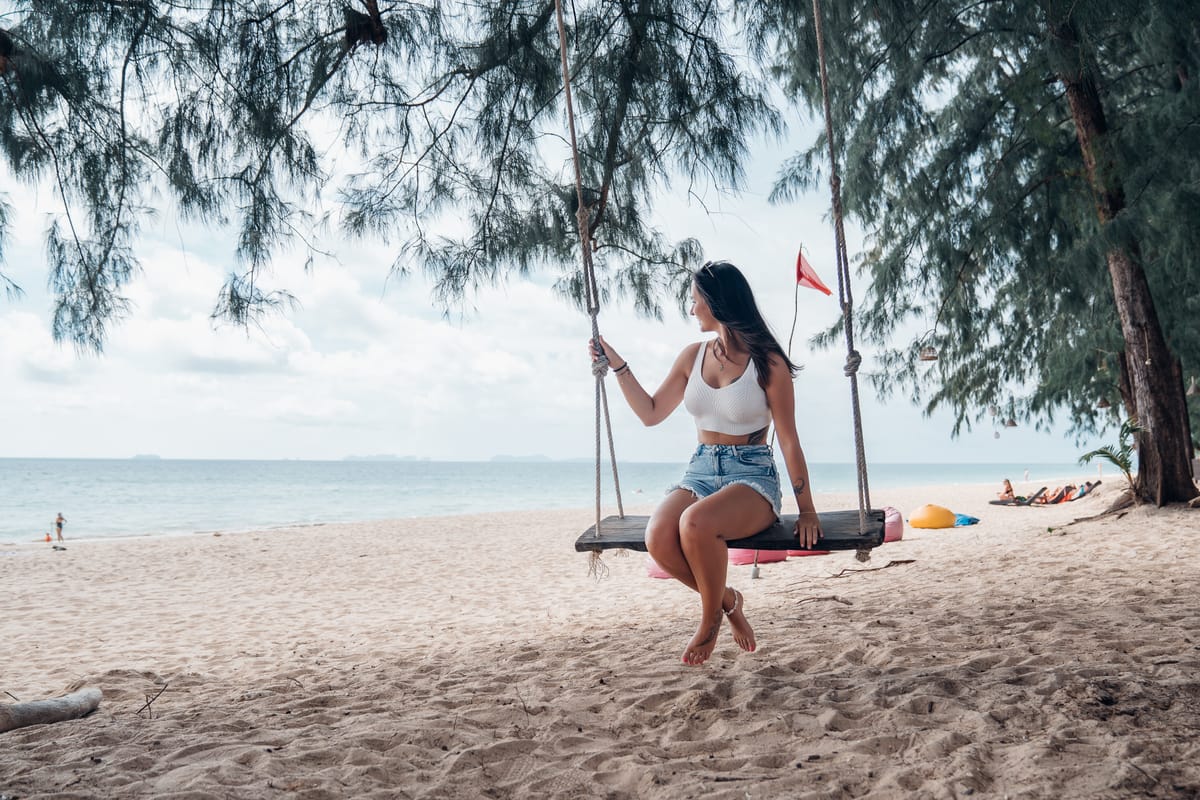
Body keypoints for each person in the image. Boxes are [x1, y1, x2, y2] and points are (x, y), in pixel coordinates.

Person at [589, 260, 821, 666]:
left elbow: (788, 439)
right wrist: (617, 366)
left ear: (717, 303)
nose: (692, 308)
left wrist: (807, 511)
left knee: (695, 523)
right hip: (700, 468)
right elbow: (651, 412)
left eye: (695, 301)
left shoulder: (768, 364)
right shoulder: (692, 357)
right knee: (658, 536)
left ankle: (708, 622)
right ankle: (729, 601)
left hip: (751, 475)